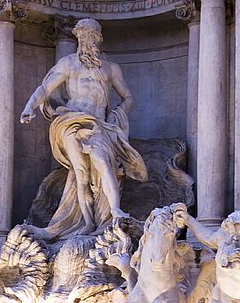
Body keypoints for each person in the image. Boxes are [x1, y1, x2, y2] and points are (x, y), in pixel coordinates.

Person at [20, 18, 147, 240]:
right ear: (78, 37)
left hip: (98, 123)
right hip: (70, 121)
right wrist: (29, 106)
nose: (88, 39)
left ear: (99, 38)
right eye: (83, 35)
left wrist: (117, 114)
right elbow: (44, 88)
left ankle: (115, 211)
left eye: (92, 35)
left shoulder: (110, 68)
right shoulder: (68, 64)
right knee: (80, 173)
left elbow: (127, 97)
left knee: (102, 160)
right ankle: (88, 222)